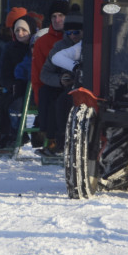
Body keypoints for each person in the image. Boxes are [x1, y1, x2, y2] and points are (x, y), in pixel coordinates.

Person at [0, 14, 37, 149]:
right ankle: (1, 133)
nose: (20, 33)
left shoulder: (34, 47)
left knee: (14, 105)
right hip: (14, 87)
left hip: (31, 88)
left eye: (24, 30)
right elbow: (4, 71)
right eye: (17, 30)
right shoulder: (10, 48)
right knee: (2, 102)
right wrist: (10, 84)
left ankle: (16, 134)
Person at [36, 10, 82, 156]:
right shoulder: (59, 47)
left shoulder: (86, 46)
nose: (73, 36)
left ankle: (61, 143)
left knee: (62, 101)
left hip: (83, 87)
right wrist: (60, 80)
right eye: (69, 33)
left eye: (76, 32)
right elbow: (45, 73)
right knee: (49, 96)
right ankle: (51, 139)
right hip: (63, 86)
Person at [31, 0, 71, 105]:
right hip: (50, 91)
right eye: (54, 16)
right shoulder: (42, 42)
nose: (57, 20)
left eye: (61, 15)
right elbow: (37, 74)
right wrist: (39, 101)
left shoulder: (77, 39)